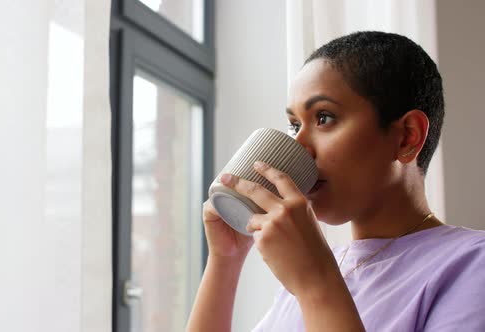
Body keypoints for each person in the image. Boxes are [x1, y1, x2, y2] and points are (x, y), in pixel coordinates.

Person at [186, 31, 485, 331]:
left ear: (408, 136)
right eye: (294, 125)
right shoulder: (314, 268)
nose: (298, 145)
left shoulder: (471, 263)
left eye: (324, 118)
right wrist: (226, 260)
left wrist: (316, 285)